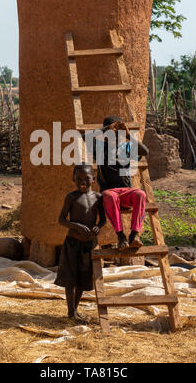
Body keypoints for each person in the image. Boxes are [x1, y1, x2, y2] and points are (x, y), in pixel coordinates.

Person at [85, 115, 149, 250]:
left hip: (126, 192)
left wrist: (129, 135)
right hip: (109, 192)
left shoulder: (126, 147)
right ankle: (121, 236)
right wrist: (106, 128)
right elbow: (85, 138)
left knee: (141, 194)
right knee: (110, 196)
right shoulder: (100, 148)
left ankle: (134, 235)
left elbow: (145, 151)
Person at [55, 163, 106, 321]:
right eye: (78, 179)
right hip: (73, 242)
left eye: (86, 179)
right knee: (70, 278)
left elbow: (103, 219)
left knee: (83, 278)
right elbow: (61, 219)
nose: (82, 182)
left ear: (93, 179)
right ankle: (71, 312)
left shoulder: (98, 198)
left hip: (89, 244)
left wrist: (98, 227)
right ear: (73, 179)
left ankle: (75, 310)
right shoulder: (71, 197)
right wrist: (76, 226)